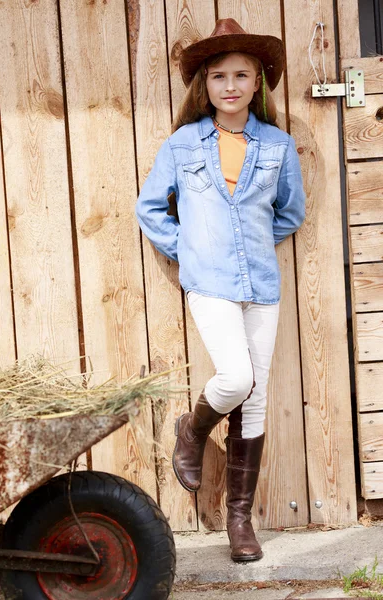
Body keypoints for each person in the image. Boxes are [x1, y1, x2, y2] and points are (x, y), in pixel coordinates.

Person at [135, 18, 306, 562]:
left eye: (241, 75)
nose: (229, 86)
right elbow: (150, 208)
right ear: (203, 85)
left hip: (261, 282)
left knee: (253, 400)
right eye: (217, 77)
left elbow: (290, 213)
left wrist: (248, 243)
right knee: (235, 377)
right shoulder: (184, 144)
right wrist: (190, 248)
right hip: (208, 282)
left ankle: (240, 523)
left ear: (258, 82)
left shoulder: (278, 146)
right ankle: (193, 427)